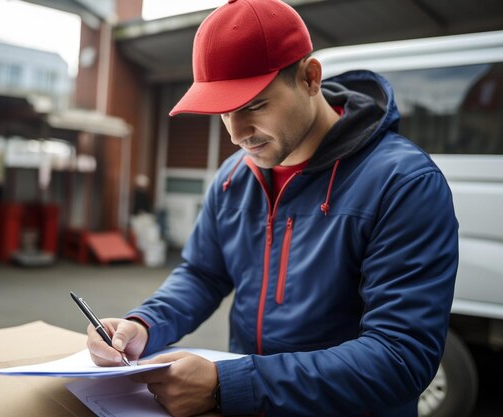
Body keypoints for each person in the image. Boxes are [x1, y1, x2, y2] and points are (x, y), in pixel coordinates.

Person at [86, 1, 459, 416]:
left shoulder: (403, 183)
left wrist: (228, 384)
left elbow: (400, 357)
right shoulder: (234, 177)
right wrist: (144, 326)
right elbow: (203, 273)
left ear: (310, 78)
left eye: (254, 105)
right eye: (223, 111)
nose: (237, 134)